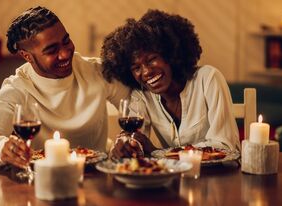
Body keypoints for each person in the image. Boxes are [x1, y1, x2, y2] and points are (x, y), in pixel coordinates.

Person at [0, 6, 129, 168]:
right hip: (43, 178)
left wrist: (127, 139)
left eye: (66, 41)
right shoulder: (17, 88)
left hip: (98, 175)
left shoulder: (98, 72)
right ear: (27, 56)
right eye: (52, 50)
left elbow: (137, 106)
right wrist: (3, 148)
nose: (64, 54)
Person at [101, 9, 240, 158]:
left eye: (151, 59)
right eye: (136, 67)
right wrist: (127, 145)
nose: (146, 71)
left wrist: (159, 152)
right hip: (174, 179)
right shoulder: (141, 96)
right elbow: (136, 138)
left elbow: (225, 146)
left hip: (220, 176)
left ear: (169, 54)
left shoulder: (208, 79)